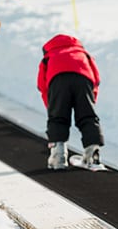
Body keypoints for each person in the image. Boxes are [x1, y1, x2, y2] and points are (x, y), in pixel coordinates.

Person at [37, 34, 104, 170]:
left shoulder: (48, 57)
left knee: (58, 118)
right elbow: (96, 80)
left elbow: (42, 86)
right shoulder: (83, 54)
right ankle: (93, 153)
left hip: (57, 80)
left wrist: (52, 108)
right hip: (83, 78)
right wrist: (90, 102)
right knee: (87, 117)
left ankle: (58, 156)